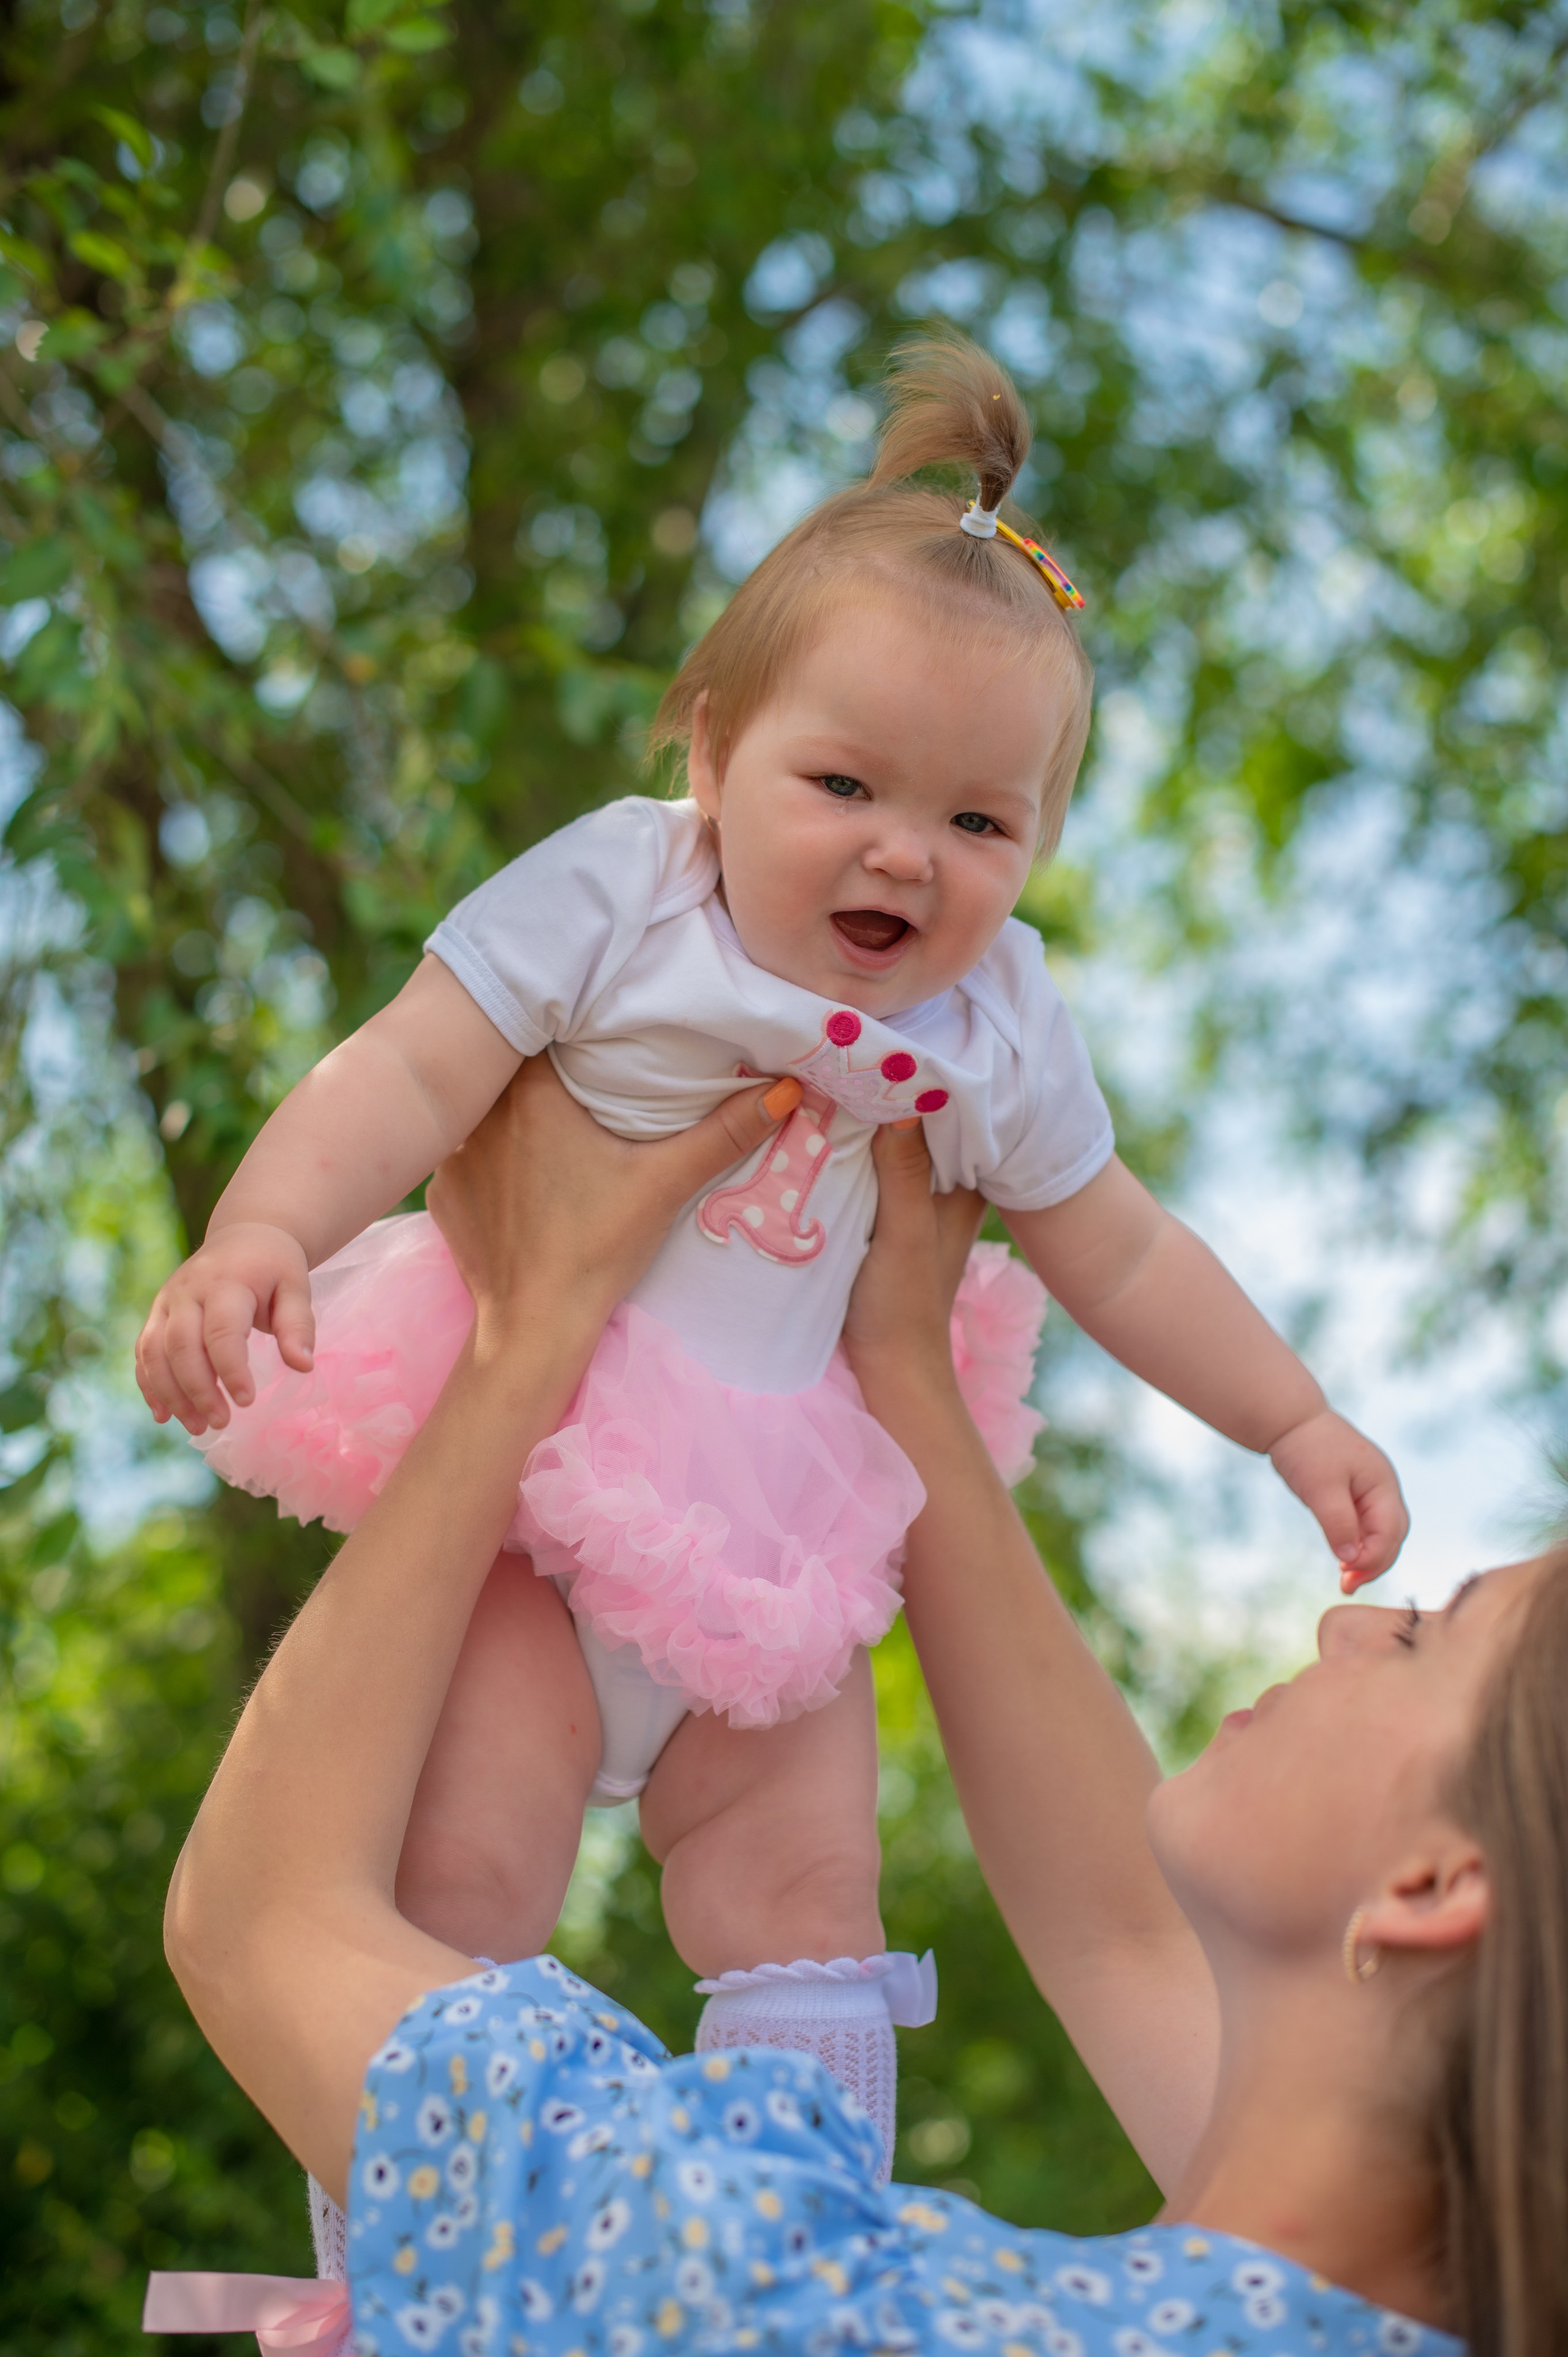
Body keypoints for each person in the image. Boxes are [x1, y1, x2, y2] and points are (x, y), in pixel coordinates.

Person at [136, 334, 1406, 2146]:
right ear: (715, 752)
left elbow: (1119, 1251)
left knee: (806, 1896)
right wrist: (261, 1225)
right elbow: (412, 1065)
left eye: (980, 822)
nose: (908, 855)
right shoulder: (626, 891)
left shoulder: (1004, 1023)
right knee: (462, 1869)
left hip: (786, 1531)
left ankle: (796, 2241)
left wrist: (1290, 1421)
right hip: (539, 1495)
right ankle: (404, 2266)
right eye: (848, 789)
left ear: (1038, 847)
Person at [154, 1059, 1568, 2357]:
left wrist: (525, 1339)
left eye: (1422, 1636)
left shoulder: (792, 2296)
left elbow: (266, 1922)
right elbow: (1120, 1926)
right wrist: (899, 1366)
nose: (1348, 1614)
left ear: (1440, 1880)